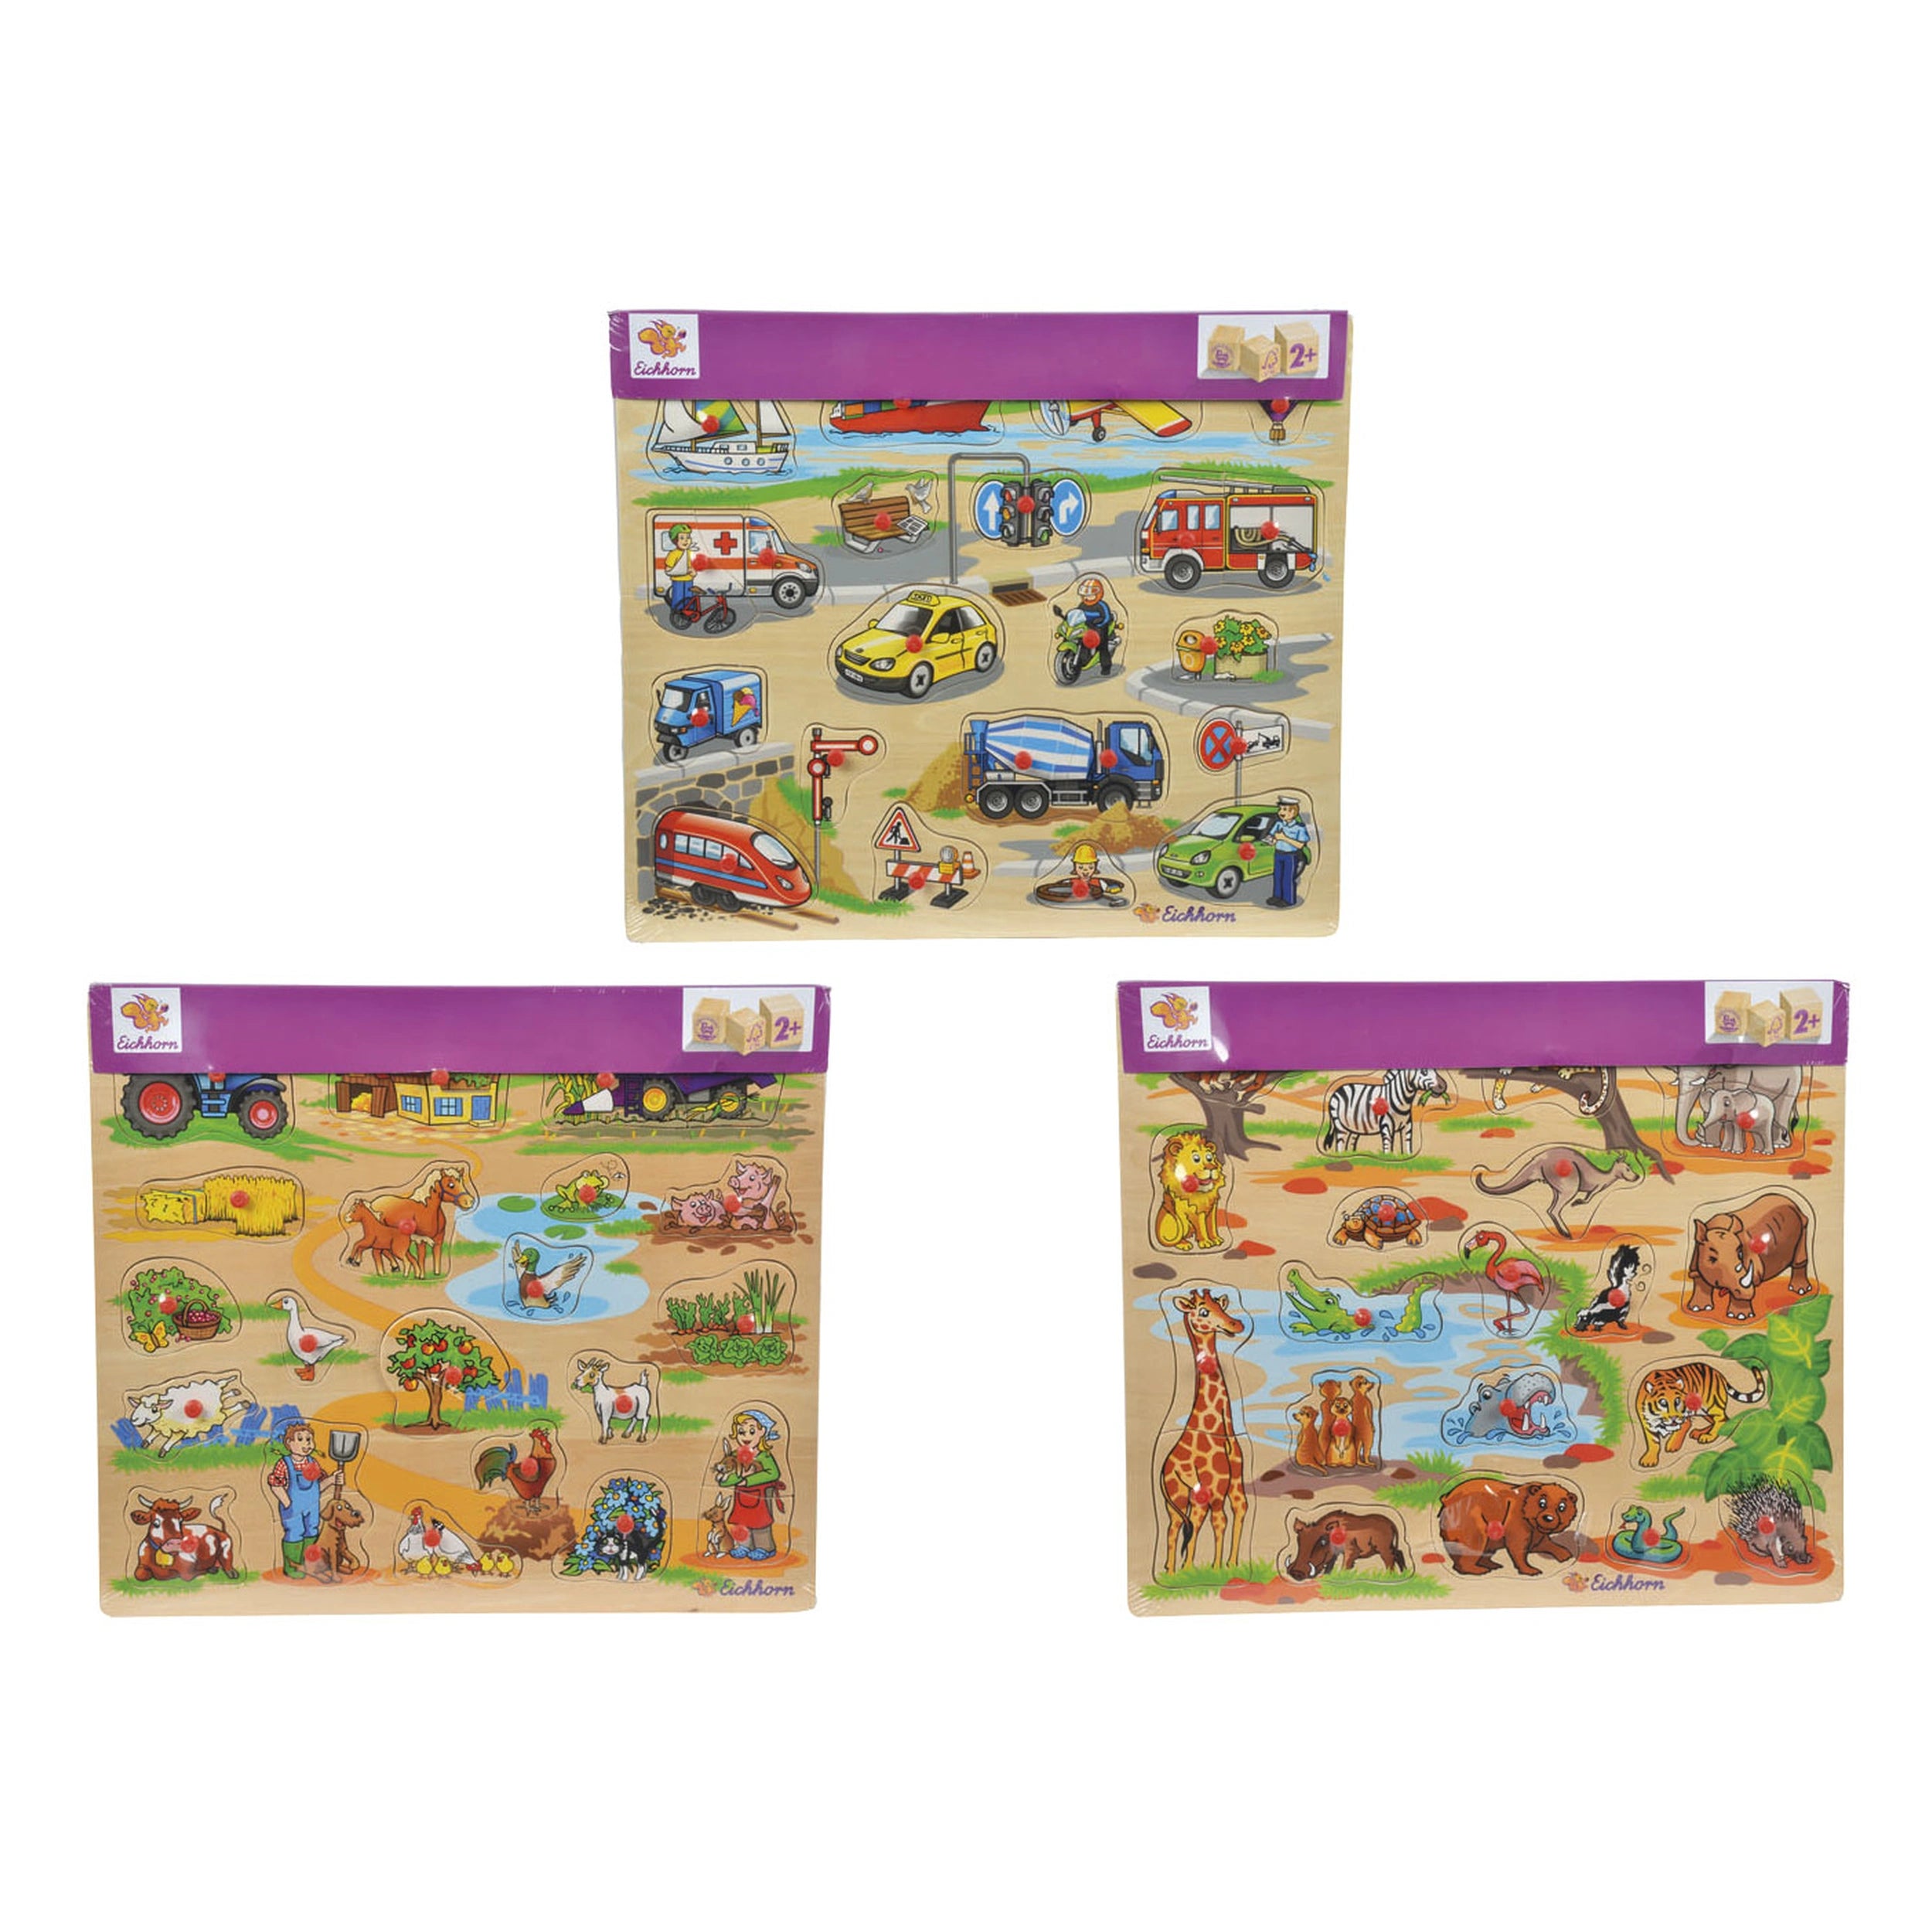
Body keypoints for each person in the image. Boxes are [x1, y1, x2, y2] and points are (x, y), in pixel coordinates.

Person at [713, 1409, 784, 1561]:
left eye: (752, 1432)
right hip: (742, 1497)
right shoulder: (735, 1455)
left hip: (761, 1495)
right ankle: (744, 1546)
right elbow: (728, 1475)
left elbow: (773, 1473)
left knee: (761, 1523)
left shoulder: (764, 1455)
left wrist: (748, 1480)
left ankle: (764, 1548)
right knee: (742, 1522)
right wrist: (731, 1479)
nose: (746, 1436)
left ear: (762, 1432)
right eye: (741, 1432)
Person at [267, 1419, 325, 1577]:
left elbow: (318, 1486)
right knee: (295, 1532)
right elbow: (275, 1484)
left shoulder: (313, 1462)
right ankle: (292, 1567)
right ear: (289, 1443)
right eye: (300, 1439)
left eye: (309, 1439)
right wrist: (287, 1503)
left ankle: (310, 1564)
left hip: (312, 1506)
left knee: (312, 1530)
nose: (306, 1443)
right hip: (293, 1508)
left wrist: (332, 1480)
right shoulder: (284, 1464)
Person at [1267, 796, 1313, 908]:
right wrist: (1272, 840)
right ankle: (1277, 896)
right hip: (1278, 854)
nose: (1281, 812)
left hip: (1290, 856)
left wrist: (1284, 838)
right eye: (1280, 809)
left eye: (1284, 809)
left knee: (1287, 878)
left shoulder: (1299, 828)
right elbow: (1272, 836)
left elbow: (1300, 845)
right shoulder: (1279, 824)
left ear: (1293, 812)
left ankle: (1289, 899)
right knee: (1277, 876)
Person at [1069, 575, 1118, 672]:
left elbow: (1107, 618)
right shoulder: (1082, 605)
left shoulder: (1102, 605)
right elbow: (1078, 614)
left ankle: (1106, 667)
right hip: (1086, 627)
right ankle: (1082, 661)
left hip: (1100, 628)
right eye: (1086, 595)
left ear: (1098, 594)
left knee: (1102, 647)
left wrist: (1099, 622)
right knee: (1080, 641)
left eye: (1091, 595)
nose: (1088, 597)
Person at [662, 522, 699, 621]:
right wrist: (675, 571)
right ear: (675, 541)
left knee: (689, 597)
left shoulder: (690, 553)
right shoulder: (673, 554)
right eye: (682, 538)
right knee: (678, 597)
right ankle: (677, 613)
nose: (686, 541)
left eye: (688, 537)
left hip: (689, 580)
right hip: (678, 580)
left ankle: (689, 613)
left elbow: (693, 565)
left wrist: (693, 572)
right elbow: (668, 569)